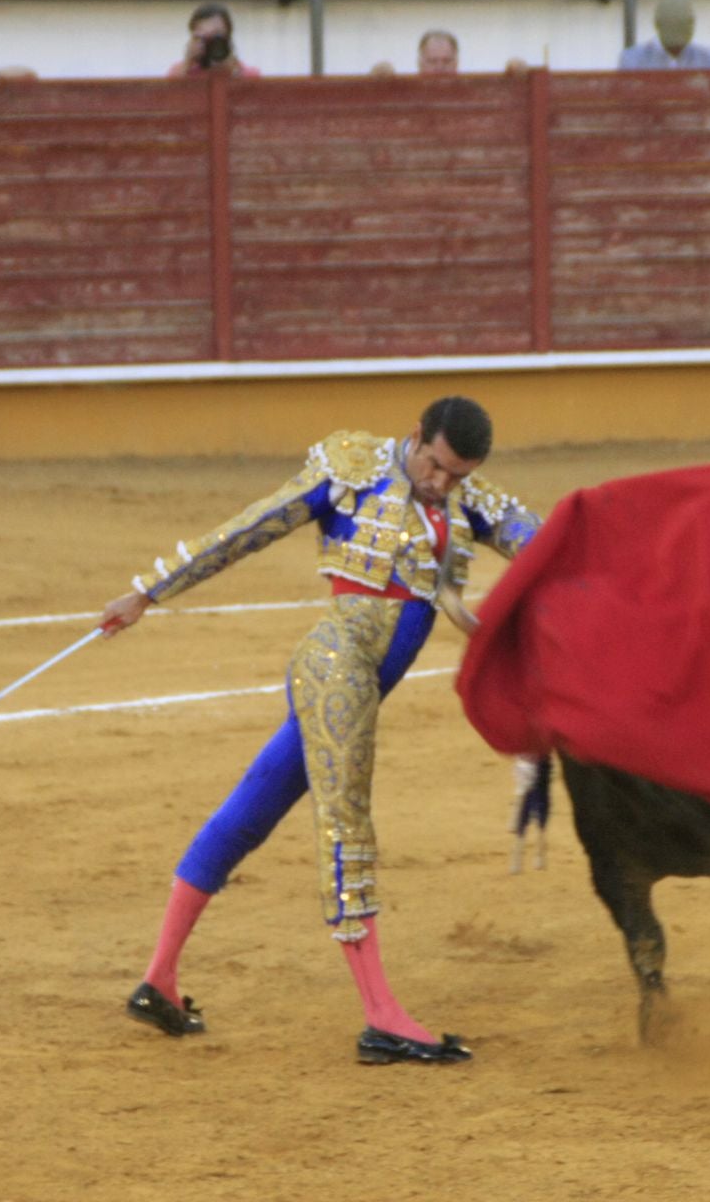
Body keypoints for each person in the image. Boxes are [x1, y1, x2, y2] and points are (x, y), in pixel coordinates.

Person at [105, 397, 542, 1065]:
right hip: (336, 668)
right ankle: (382, 1016)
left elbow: (539, 542)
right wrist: (147, 593)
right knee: (347, 823)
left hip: (358, 679)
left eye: (458, 475)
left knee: (250, 811)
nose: (442, 483)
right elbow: (248, 529)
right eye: (436, 465)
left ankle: (158, 979)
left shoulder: (465, 501)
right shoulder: (351, 466)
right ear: (417, 434)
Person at [618, 0, 710, 72]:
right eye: (671, 22)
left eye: (686, 23)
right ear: (658, 24)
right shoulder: (632, 59)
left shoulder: (709, 57)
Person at [168, 2, 260, 78]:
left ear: (228, 37)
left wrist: (233, 70)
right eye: (204, 38)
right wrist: (187, 63)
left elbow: (252, 92)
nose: (211, 43)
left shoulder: (250, 74)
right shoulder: (182, 72)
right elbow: (169, 93)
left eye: (217, 35)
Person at [371, 29, 460, 77]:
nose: (440, 68)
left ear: (456, 63)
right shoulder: (405, 94)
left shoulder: (472, 94)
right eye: (432, 61)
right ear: (419, 63)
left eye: (447, 61)